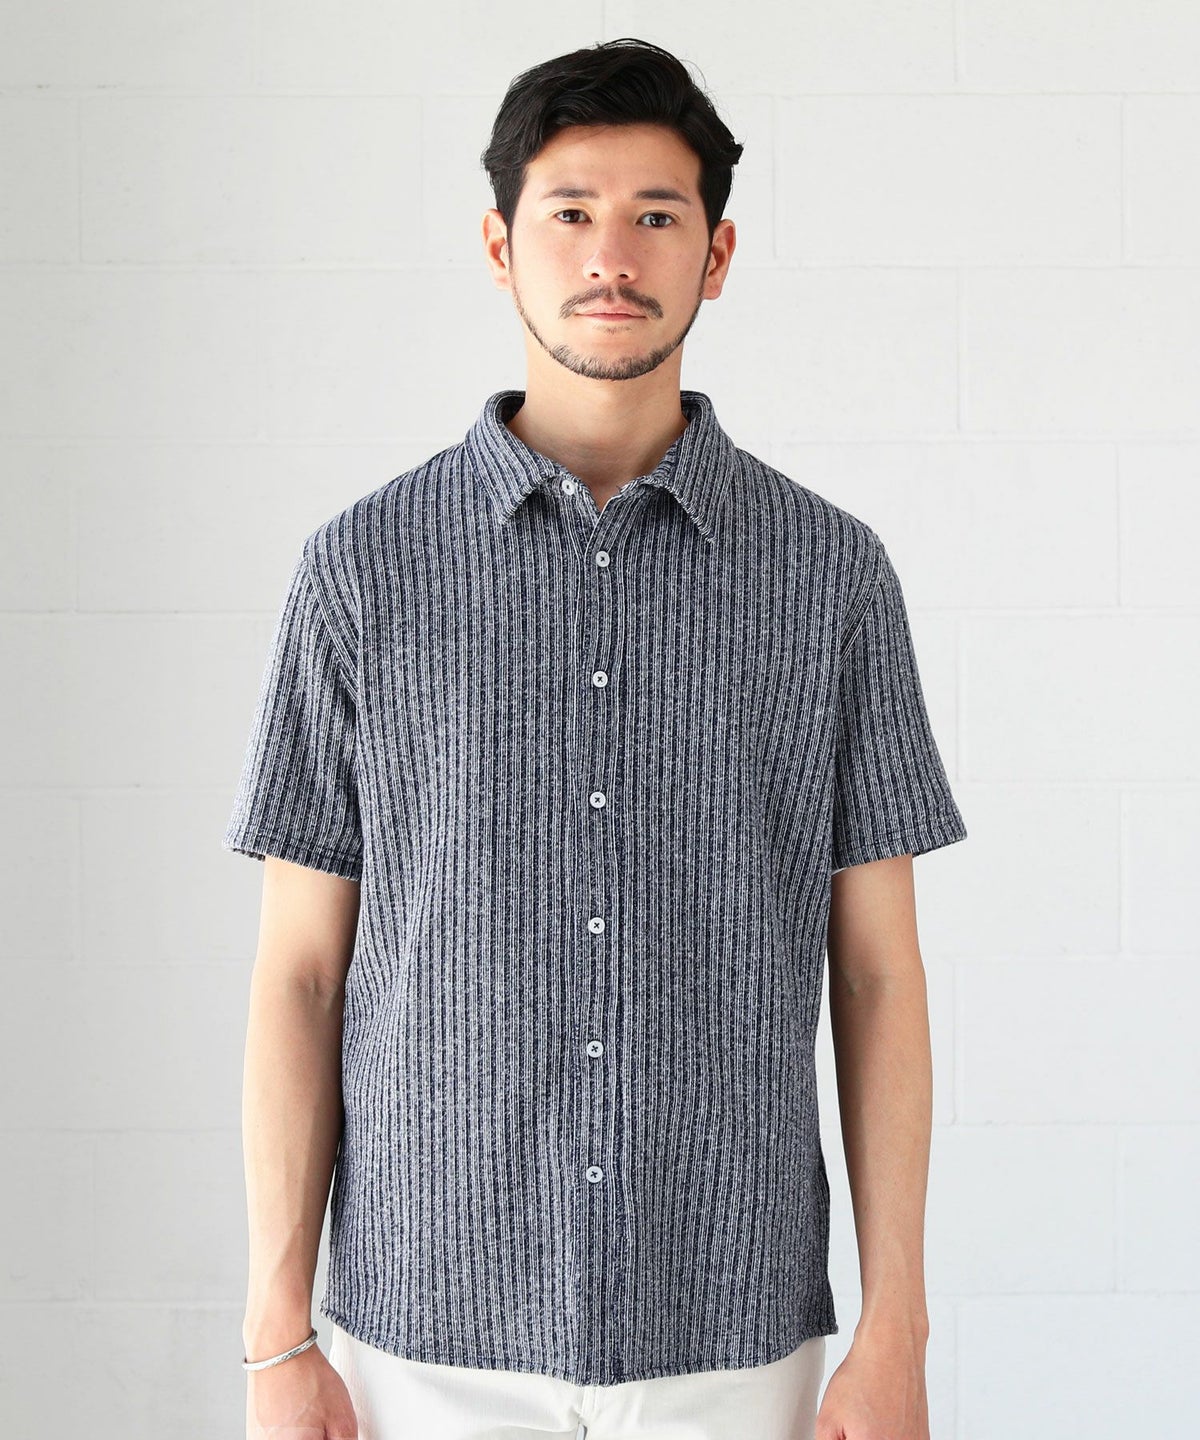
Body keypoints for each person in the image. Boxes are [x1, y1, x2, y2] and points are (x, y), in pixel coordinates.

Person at [226, 36, 967, 1440]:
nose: (610, 256)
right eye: (569, 212)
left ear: (718, 255)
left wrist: (898, 1327)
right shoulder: (361, 572)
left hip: (735, 1334)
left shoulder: (830, 576)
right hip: (421, 1338)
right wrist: (277, 1337)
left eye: (656, 216)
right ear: (499, 246)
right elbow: (303, 975)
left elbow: (879, 973)